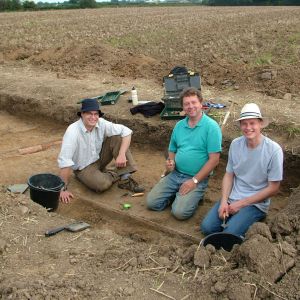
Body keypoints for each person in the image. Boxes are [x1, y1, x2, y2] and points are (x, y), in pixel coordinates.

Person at [201, 103, 283, 237]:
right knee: (207, 228)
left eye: (252, 123)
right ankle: (238, 219)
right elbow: (229, 175)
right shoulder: (235, 144)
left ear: (260, 124)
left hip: (255, 203)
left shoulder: (274, 150)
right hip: (233, 198)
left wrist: (240, 204)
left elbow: (273, 188)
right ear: (240, 126)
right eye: (244, 124)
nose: (248, 127)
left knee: (229, 234)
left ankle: (254, 218)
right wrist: (224, 201)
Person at [146, 87, 222, 220]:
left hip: (196, 178)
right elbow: (172, 149)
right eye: (187, 104)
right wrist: (171, 162)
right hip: (176, 174)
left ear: (201, 104)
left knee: (180, 213)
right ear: (183, 107)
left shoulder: (212, 127)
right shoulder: (179, 126)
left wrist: (194, 181)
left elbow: (214, 160)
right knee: (151, 203)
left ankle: (192, 197)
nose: (190, 106)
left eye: (194, 102)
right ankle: (177, 196)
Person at [58, 98, 144, 203]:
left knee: (117, 137)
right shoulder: (72, 132)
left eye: (96, 114)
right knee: (101, 185)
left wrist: (121, 154)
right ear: (82, 114)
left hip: (99, 158)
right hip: (84, 167)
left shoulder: (101, 123)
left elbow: (127, 132)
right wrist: (62, 189)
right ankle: (115, 173)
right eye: (89, 114)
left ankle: (125, 179)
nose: (93, 117)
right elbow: (65, 161)